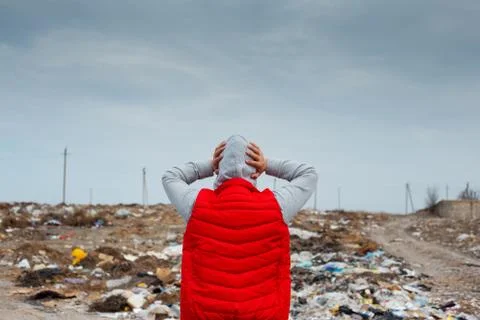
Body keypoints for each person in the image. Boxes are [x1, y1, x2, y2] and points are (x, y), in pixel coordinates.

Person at [162, 135, 318, 320]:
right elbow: (308, 174)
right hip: (264, 314)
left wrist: (210, 165)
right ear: (253, 167)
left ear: (220, 169)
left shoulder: (197, 205)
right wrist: (266, 164)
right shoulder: (277, 206)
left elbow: (170, 177)